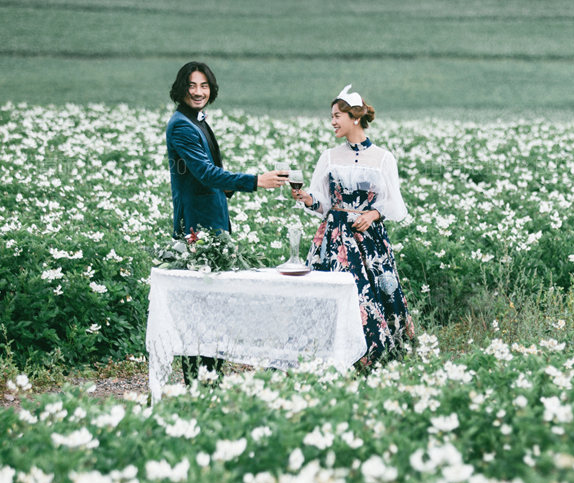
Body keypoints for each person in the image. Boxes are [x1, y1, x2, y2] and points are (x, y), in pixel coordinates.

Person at [165, 61, 288, 384]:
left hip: (213, 223)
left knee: (215, 304)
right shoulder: (181, 125)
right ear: (181, 88)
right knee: (200, 306)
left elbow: (209, 173)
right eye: (192, 85)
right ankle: (198, 380)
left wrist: (236, 184)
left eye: (204, 86)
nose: (198, 92)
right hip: (197, 228)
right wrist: (254, 181)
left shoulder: (198, 122)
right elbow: (204, 173)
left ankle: (210, 377)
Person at [291, 85, 414, 367]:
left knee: (373, 292)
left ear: (355, 117)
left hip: (368, 239)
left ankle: (375, 356)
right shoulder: (329, 157)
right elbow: (322, 203)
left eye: (337, 116)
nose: (332, 122)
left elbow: (394, 204)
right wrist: (307, 198)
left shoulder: (383, 158)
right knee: (332, 293)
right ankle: (328, 356)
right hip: (333, 240)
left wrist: (373, 214)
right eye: (331, 116)